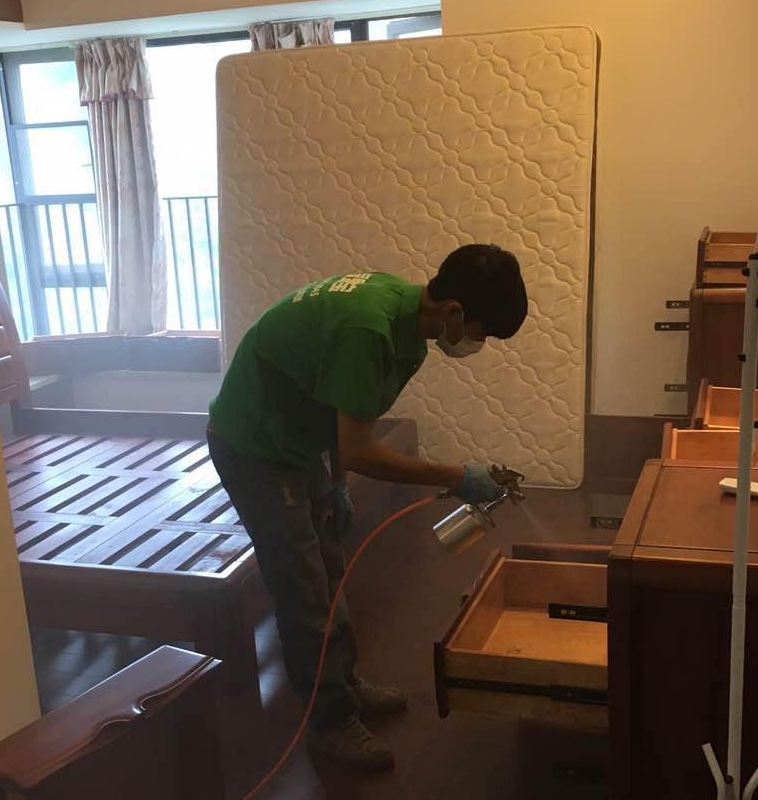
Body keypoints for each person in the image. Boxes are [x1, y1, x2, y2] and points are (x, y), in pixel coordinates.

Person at [207, 244, 528, 771]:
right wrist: (456, 476)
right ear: (453, 311)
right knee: (304, 591)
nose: (478, 343)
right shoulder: (369, 329)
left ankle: (344, 681)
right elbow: (361, 451)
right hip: (256, 447)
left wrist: (335, 484)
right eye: (481, 332)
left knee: (330, 567)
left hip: (298, 440)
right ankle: (329, 724)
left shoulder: (407, 326)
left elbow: (343, 415)